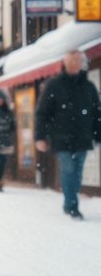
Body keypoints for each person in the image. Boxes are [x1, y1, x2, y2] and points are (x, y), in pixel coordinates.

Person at [35, 50, 101, 219]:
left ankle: (69, 202)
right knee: (68, 168)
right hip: (61, 137)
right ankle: (72, 206)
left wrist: (98, 135)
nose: (74, 64)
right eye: (71, 61)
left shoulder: (89, 87)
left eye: (78, 61)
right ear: (65, 63)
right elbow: (42, 113)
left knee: (77, 172)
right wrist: (40, 137)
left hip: (83, 137)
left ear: (82, 63)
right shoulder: (54, 85)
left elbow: (97, 113)